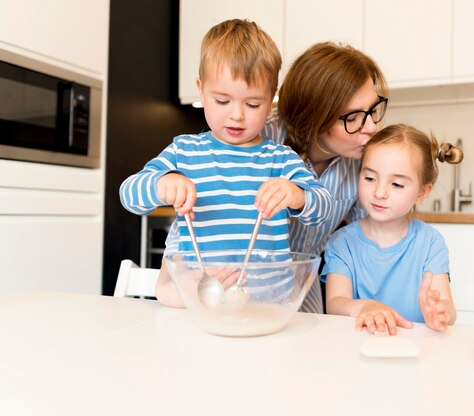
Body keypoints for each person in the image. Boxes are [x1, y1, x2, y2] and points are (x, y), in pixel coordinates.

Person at [163, 41, 389, 313]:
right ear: (315, 116)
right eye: (354, 117)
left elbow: (366, 240)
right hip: (229, 287)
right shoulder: (254, 138)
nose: (372, 127)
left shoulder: (361, 164)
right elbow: (196, 212)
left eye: (373, 111)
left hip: (300, 293)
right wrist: (170, 281)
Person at [119, 19, 331, 307]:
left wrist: (297, 196)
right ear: (201, 90)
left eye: (253, 104)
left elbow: (323, 210)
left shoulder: (280, 158)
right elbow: (129, 195)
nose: (237, 116)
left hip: (268, 305)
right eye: (222, 101)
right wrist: (160, 184)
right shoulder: (184, 150)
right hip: (203, 300)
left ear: (271, 103)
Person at [322, 124, 463, 334]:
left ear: (422, 193)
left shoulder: (430, 243)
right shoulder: (342, 242)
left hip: (416, 349)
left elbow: (447, 306)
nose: (379, 192)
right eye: (369, 178)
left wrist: (440, 312)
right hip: (358, 348)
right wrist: (364, 306)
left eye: (396, 184)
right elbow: (334, 304)